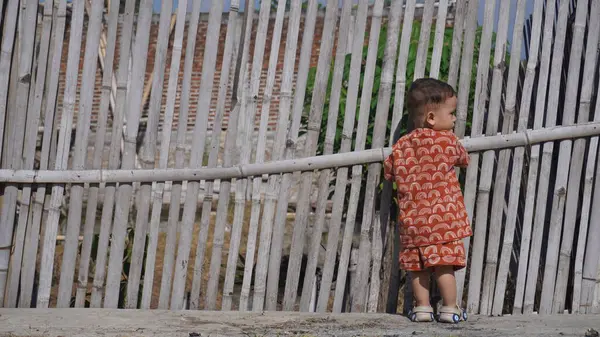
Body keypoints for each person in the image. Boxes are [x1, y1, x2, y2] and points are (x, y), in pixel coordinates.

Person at [383, 78, 472, 323]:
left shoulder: (400, 146)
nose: (454, 120)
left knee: (417, 267)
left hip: (413, 222)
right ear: (432, 118)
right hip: (443, 220)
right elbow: (463, 160)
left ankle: (422, 308)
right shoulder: (448, 141)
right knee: (444, 265)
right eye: (452, 114)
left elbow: (389, 171)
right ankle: (450, 308)